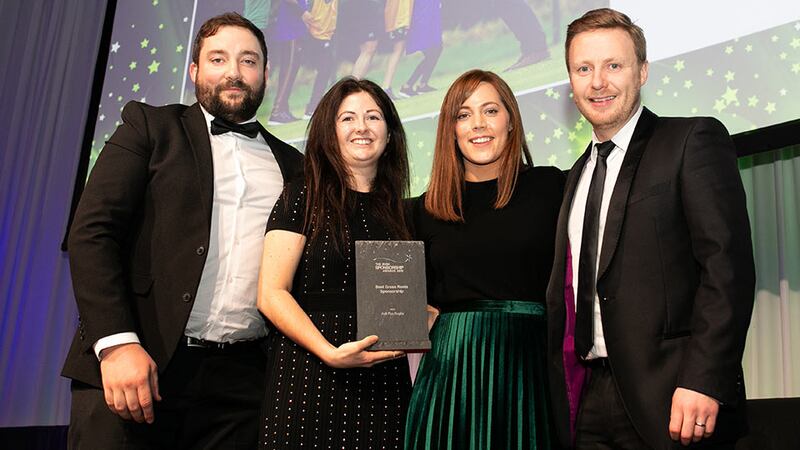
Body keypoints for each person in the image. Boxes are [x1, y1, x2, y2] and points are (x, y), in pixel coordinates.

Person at [63, 12, 303, 449]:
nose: (234, 72)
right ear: (195, 71)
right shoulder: (150, 128)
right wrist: (116, 345)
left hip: (243, 386)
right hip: (137, 365)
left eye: (248, 61)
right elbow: (92, 233)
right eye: (218, 59)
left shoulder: (294, 165)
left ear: (267, 74)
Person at [546, 8, 755, 450]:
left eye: (613, 65)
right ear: (571, 81)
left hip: (675, 399)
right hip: (588, 399)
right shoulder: (575, 175)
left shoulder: (691, 141)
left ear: (641, 72)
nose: (597, 81)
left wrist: (704, 379)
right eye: (584, 69)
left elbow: (726, 270)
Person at [405, 69, 563, 449]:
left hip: (529, 369)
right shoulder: (418, 211)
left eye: (490, 110)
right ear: (451, 130)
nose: (478, 124)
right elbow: (403, 312)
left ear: (510, 120)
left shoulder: (552, 187)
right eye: (463, 114)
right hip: (449, 376)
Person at [257, 77, 412, 449]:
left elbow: (402, 300)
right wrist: (329, 352)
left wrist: (431, 317)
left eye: (373, 117)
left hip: (383, 385)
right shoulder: (301, 197)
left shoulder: (403, 212)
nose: (362, 127)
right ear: (329, 132)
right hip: (307, 375)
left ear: (389, 135)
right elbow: (271, 293)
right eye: (347, 118)